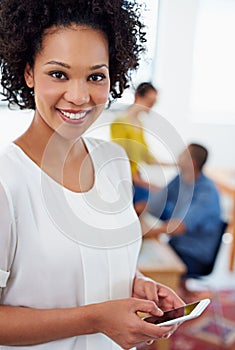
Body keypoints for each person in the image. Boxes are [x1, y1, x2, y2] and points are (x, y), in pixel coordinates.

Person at [0, 1, 184, 349]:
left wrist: (135, 282)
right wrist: (95, 318)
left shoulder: (113, 162)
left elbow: (96, 260)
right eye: (59, 74)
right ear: (28, 73)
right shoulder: (7, 183)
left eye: (95, 76)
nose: (79, 96)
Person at [144, 143, 222, 298]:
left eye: (182, 154)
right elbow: (155, 204)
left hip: (195, 255)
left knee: (147, 266)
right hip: (177, 245)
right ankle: (182, 292)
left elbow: (180, 227)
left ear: (191, 162)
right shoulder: (181, 179)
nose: (178, 156)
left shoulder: (207, 191)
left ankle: (170, 304)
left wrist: (146, 232)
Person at [110, 82, 163, 215]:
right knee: (160, 203)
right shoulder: (120, 123)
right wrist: (149, 185)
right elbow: (120, 159)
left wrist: (177, 164)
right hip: (125, 179)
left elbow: (147, 157)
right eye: (149, 101)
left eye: (154, 102)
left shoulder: (139, 124)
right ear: (138, 96)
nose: (151, 106)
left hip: (135, 178)